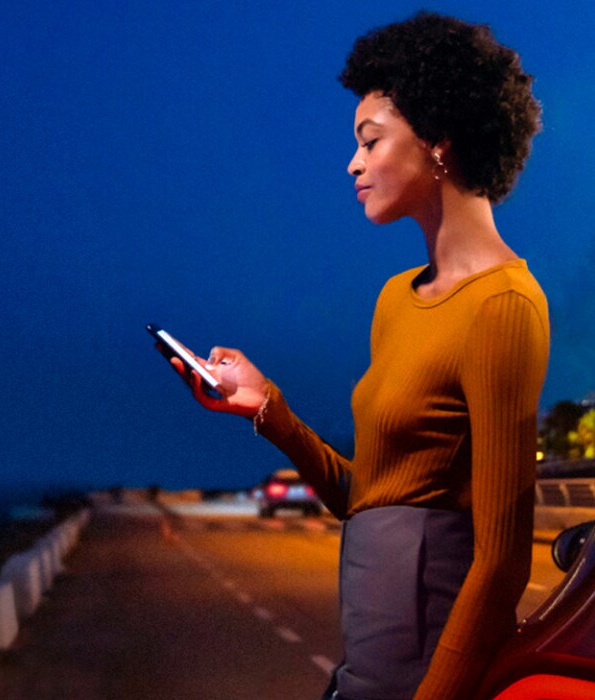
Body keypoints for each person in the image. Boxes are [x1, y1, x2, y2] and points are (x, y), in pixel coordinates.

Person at [170, 12, 549, 700]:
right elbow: (369, 500)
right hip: (364, 674)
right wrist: (269, 412)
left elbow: (500, 564)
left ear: (438, 142)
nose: (352, 162)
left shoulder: (503, 307)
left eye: (369, 141)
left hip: (429, 680)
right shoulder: (394, 300)